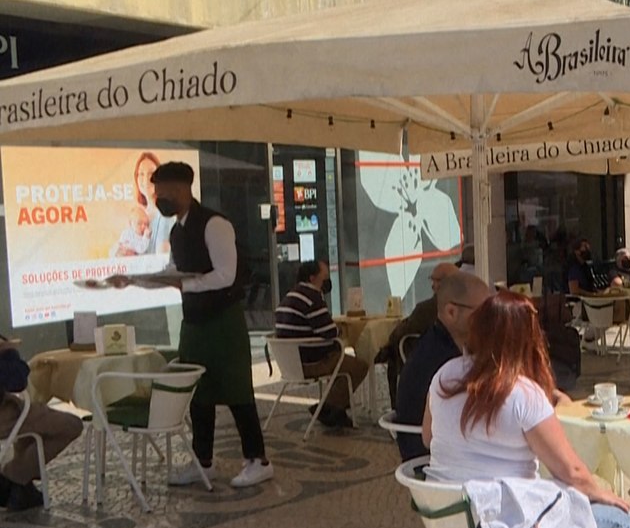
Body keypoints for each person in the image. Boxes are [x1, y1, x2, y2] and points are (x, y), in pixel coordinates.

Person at [423, 291, 630, 528]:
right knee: (622, 523)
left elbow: (427, 436)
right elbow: (570, 471)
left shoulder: (443, 376)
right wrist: (605, 495)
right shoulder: (522, 394)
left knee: (564, 514)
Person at [109, 161, 272, 488]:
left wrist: (188, 285)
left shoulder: (215, 224)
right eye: (156, 192)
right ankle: (203, 462)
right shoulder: (176, 231)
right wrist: (133, 280)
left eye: (164, 191)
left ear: (183, 189)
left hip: (224, 322)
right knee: (199, 395)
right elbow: (173, 273)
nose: (158, 198)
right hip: (194, 324)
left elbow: (226, 274)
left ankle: (258, 460)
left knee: (237, 390)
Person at [394, 271, 490, 461]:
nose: (490, 319)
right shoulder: (442, 362)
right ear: (451, 312)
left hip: (442, 450)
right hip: (432, 460)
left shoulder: (443, 344)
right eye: (483, 312)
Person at [274, 260, 368, 429]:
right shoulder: (312, 298)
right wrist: (339, 331)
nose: (327, 281)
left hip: (291, 364)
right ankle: (327, 408)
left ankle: (336, 411)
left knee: (342, 366)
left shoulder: (289, 297)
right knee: (359, 366)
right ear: (312, 278)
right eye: (324, 277)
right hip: (312, 364)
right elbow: (330, 332)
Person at [0, 340, 83, 510]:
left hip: (11, 410)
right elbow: (17, 380)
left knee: (33, 429)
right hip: (5, 415)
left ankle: (20, 486)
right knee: (71, 425)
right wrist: (8, 353)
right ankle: (13, 477)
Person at [378, 262, 460, 404]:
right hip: (453, 370)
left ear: (439, 284)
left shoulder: (427, 309)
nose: (432, 285)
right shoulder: (465, 308)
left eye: (434, 281)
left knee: (392, 352)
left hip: (426, 370)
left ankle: (394, 403)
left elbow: (401, 333)